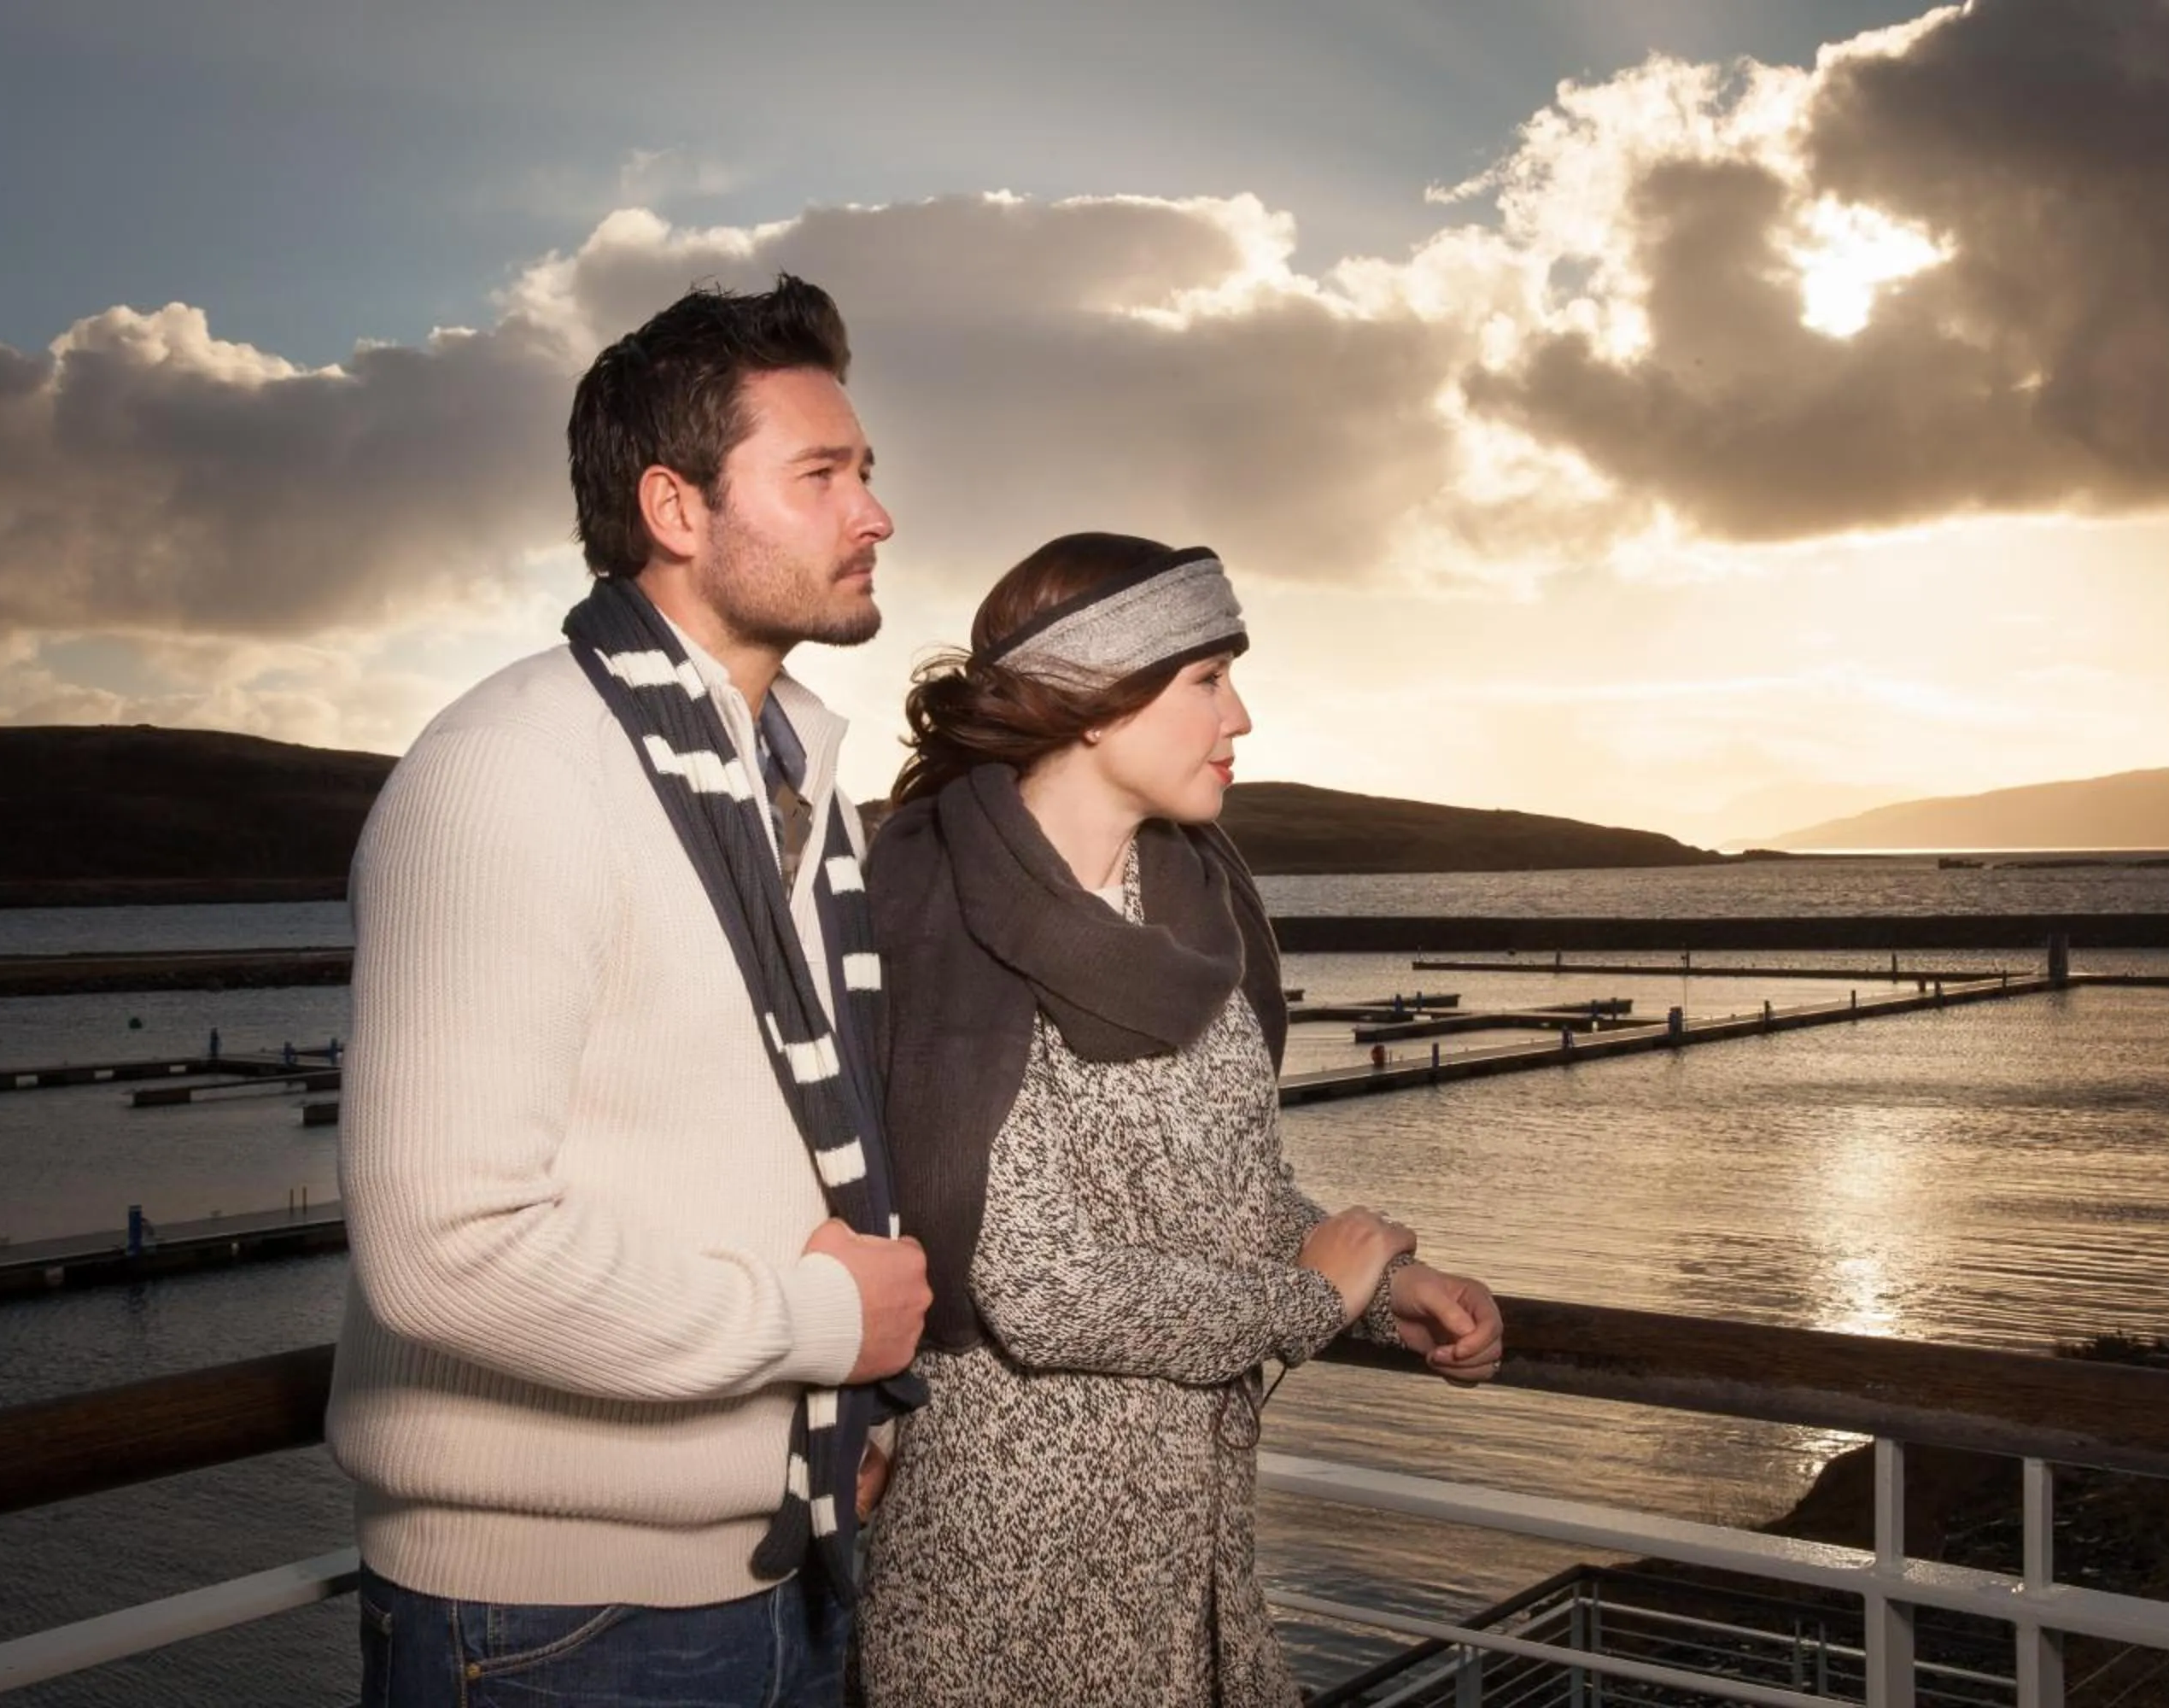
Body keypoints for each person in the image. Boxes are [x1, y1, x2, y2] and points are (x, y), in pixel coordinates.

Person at [327, 277, 928, 1707]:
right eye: (824, 475)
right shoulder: (513, 772)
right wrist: (818, 1329)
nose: (875, 514)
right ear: (675, 509)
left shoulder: (801, 792)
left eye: (869, 474)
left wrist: (836, 1406)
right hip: (556, 1624)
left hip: (782, 1564)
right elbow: (446, 1249)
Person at [858, 533, 1505, 1706]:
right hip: (1017, 1574)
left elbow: (1226, 1193)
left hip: (1201, 1558)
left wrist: (1387, 1290)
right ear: (1096, 703)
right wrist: (1317, 1298)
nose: (1241, 716)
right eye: (1205, 679)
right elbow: (1041, 1286)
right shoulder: (945, 925)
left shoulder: (1200, 905)